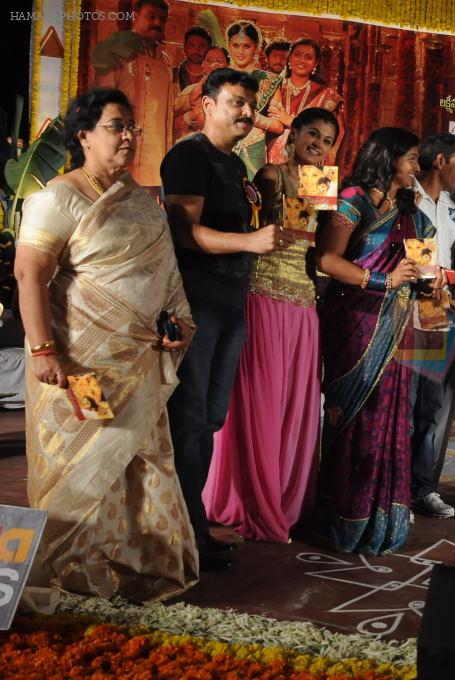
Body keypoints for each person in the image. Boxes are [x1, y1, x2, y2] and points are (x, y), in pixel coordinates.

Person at [15, 87, 197, 601]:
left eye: (131, 127)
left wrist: (173, 324)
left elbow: (164, 279)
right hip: (80, 368)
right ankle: (70, 576)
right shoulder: (57, 198)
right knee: (81, 467)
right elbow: (29, 274)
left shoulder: (140, 201)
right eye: (117, 126)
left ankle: (138, 570)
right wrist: (44, 352)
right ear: (84, 136)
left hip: (138, 363)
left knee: (141, 464)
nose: (128, 136)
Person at [162, 68, 294, 571]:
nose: (246, 113)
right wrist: (248, 242)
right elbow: (182, 232)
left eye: (250, 106)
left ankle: (190, 525)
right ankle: (180, 533)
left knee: (210, 420)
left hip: (231, 303)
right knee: (190, 420)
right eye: (236, 102)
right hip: (195, 303)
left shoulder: (236, 164)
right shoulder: (189, 156)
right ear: (207, 104)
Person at [203, 107, 339, 542]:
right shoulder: (271, 174)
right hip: (263, 295)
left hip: (303, 304)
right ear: (294, 134)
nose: (318, 144)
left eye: (327, 139)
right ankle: (248, 497)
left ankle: (284, 497)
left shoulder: (325, 183)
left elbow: (318, 249)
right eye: (312, 134)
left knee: (291, 406)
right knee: (261, 400)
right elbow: (260, 230)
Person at [315, 127, 441, 554]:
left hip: (397, 325)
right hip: (354, 322)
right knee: (350, 414)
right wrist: (383, 279)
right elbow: (327, 260)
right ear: (387, 159)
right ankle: (338, 513)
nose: (417, 167)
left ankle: (378, 519)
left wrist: (431, 288)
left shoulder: (415, 215)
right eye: (411, 158)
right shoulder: (352, 200)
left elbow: (420, 272)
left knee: (391, 418)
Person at [408, 132, 455, 519]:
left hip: (438, 318)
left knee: (429, 408)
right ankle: (392, 488)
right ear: (441, 162)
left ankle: (422, 489)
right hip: (404, 314)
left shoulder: (452, 207)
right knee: (402, 406)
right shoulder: (404, 197)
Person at [91, 0, 174, 186]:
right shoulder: (115, 51)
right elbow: (102, 109)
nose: (157, 23)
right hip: (122, 165)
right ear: (136, 16)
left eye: (162, 19)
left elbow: (168, 113)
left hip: (157, 169)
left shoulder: (165, 61)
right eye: (151, 17)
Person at [267, 38, 344, 165]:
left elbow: (329, 135)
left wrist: (290, 121)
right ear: (289, 58)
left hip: (308, 162)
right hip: (270, 159)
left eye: (308, 57)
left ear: (315, 63)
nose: (302, 60)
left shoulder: (326, 96)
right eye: (297, 55)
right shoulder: (274, 87)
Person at [224, 20, 284, 177]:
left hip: (252, 149)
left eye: (246, 46)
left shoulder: (268, 79)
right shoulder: (218, 77)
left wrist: (254, 118)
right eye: (236, 45)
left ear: (256, 47)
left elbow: (278, 126)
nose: (240, 51)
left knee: (251, 199)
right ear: (228, 45)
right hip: (221, 146)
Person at [172, 45, 229, 142]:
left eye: (219, 61)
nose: (213, 65)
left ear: (228, 65)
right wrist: (192, 114)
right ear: (202, 64)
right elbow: (173, 129)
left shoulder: (235, 93)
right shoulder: (190, 91)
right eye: (209, 61)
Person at [175, 26, 213, 91]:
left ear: (209, 49)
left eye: (202, 46)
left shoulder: (214, 77)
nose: (196, 50)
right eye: (192, 45)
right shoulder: (173, 74)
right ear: (184, 47)